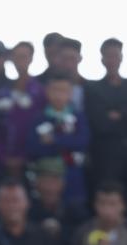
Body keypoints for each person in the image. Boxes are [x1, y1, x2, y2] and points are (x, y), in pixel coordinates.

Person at [85, 38, 127, 198]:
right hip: (106, 163)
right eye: (108, 55)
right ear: (102, 59)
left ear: (121, 57)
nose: (112, 60)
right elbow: (100, 124)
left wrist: (117, 114)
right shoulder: (93, 89)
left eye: (115, 55)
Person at [27, 74, 90, 207]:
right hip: (45, 177)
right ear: (47, 92)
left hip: (73, 177)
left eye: (63, 90)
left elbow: (83, 142)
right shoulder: (39, 118)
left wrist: (55, 140)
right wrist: (67, 144)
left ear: (71, 93)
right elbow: (33, 147)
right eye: (55, 90)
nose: (58, 95)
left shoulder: (78, 117)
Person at [0, 41, 45, 178]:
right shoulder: (1, 92)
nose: (20, 61)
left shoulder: (40, 92)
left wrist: (25, 156)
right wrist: (2, 156)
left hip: (31, 162)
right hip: (2, 161)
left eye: (24, 56)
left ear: (31, 58)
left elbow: (42, 126)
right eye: (16, 56)